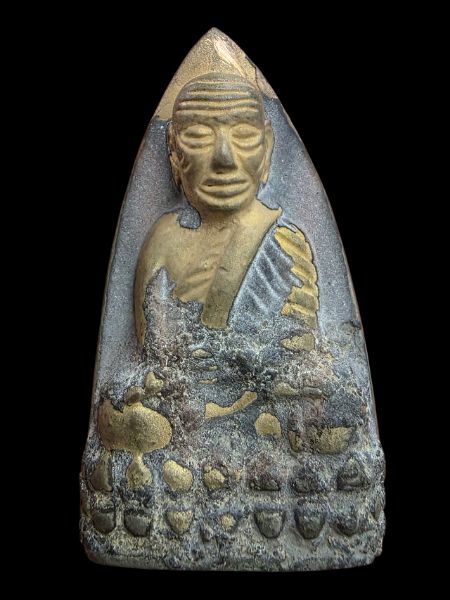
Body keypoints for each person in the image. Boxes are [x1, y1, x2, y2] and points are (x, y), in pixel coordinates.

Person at [135, 72, 317, 350]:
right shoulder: (160, 242)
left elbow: (303, 361)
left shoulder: (281, 247)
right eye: (198, 136)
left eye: (244, 135)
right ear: (173, 149)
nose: (224, 158)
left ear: (267, 145)